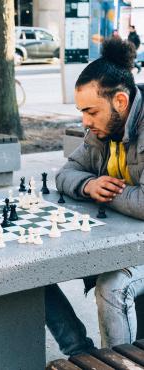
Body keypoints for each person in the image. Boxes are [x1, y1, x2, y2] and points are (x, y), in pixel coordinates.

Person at [46, 37, 144, 355]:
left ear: (119, 101)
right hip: (125, 237)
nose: (85, 122)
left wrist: (106, 193)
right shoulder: (101, 132)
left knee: (113, 286)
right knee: (33, 270)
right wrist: (89, 186)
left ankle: (120, 363)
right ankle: (81, 354)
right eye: (82, 112)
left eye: (90, 111)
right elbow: (65, 174)